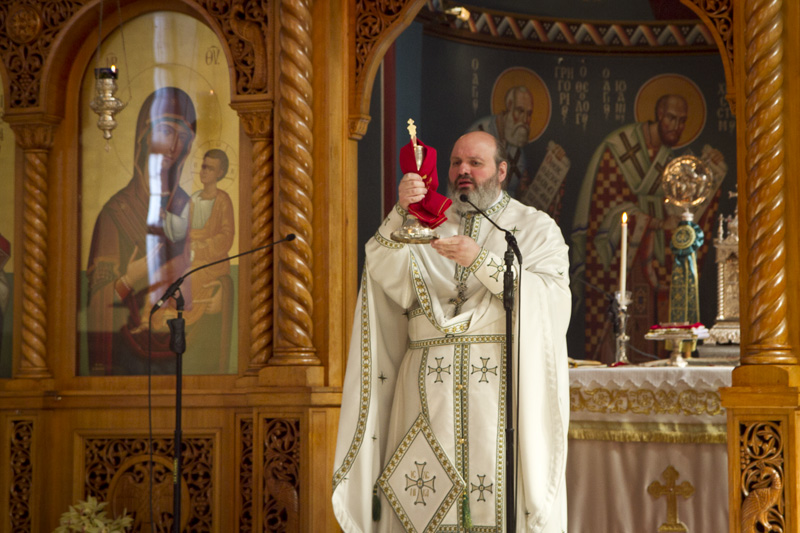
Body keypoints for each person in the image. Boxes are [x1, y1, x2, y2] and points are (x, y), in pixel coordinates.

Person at [332, 131, 570, 532]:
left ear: (501, 171)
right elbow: (383, 272)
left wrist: (483, 262)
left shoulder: (532, 228)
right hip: (425, 394)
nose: (463, 171)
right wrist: (400, 211)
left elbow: (551, 302)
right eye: (456, 163)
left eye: (475, 163)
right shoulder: (427, 224)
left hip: (497, 395)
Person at [570, 94, 725, 362]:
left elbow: (684, 209)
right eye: (671, 118)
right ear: (657, 114)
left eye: (682, 121)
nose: (676, 126)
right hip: (623, 261)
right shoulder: (618, 149)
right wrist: (652, 223)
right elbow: (604, 210)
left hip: (660, 265)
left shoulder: (671, 160)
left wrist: (712, 171)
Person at [86, 87, 196, 375]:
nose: (173, 147)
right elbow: (95, 305)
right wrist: (129, 279)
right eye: (167, 132)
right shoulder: (116, 212)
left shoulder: (185, 206)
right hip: (126, 355)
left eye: (182, 138)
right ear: (144, 135)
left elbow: (194, 278)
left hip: (175, 346)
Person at [469, 85, 534, 196]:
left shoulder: (517, 147)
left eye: (528, 114)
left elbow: (515, 190)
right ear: (509, 106)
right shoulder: (478, 133)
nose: (524, 120)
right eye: (520, 111)